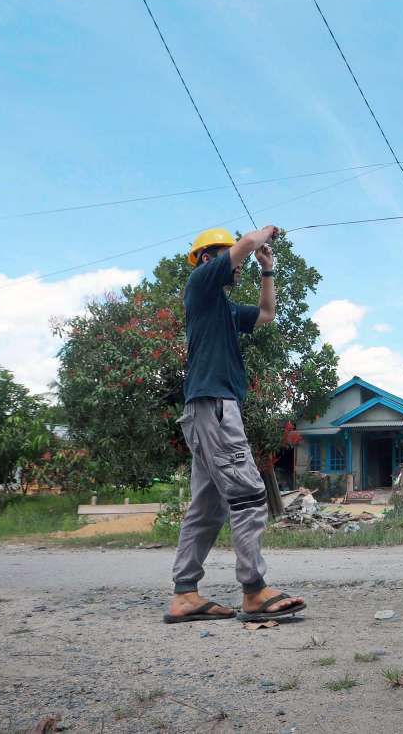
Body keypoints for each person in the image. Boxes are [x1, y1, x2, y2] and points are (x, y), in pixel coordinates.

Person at [163, 225, 306, 624]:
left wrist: (268, 270)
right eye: (227, 256)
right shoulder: (201, 282)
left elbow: (266, 315)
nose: (236, 265)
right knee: (247, 493)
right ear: (209, 258)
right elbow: (243, 244)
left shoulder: (222, 308)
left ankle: (184, 595)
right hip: (214, 407)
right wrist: (264, 234)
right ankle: (254, 589)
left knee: (207, 507)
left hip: (208, 410)